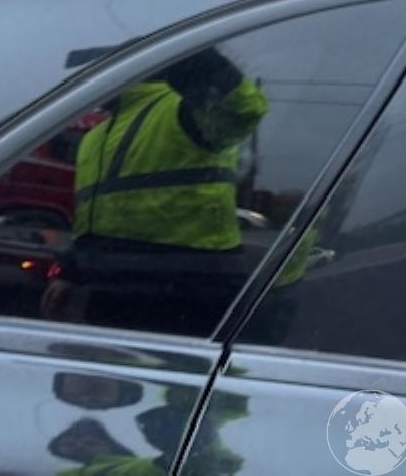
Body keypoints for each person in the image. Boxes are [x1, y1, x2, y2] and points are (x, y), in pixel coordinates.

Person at [43, 47, 268, 337]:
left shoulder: (180, 109)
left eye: (94, 74)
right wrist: (69, 272)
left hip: (190, 293)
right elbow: (99, 224)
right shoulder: (96, 137)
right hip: (115, 293)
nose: (85, 85)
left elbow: (244, 111)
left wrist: (193, 53)